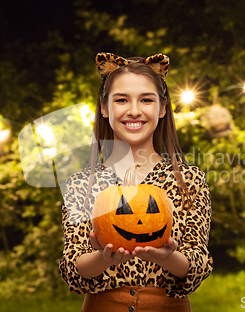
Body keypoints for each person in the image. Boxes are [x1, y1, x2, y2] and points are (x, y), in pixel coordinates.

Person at [58, 52, 213, 312]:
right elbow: (72, 267)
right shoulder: (81, 185)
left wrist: (168, 257)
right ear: (105, 108)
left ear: (162, 108)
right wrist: (103, 259)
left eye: (146, 100)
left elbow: (197, 264)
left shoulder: (188, 180)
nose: (133, 110)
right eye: (121, 100)